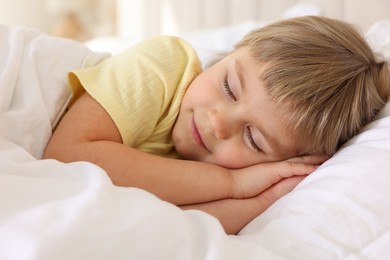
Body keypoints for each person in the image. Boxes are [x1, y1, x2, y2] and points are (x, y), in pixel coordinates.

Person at [43, 16, 390, 234]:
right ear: (230, 54)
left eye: (254, 138)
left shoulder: (213, 170)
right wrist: (232, 183)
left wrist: (262, 201)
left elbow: (171, 222)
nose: (218, 123)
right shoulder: (162, 66)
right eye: (229, 87)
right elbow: (68, 157)